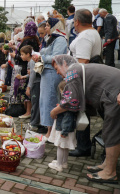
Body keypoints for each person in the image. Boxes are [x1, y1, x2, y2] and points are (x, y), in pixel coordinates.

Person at [51, 55, 120, 184]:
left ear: (64, 63)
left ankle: (110, 172)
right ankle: (107, 165)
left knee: (112, 132)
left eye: (57, 68)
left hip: (114, 93)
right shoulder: (77, 69)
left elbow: (71, 100)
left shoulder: (72, 71)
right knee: (109, 131)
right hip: (113, 91)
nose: (57, 72)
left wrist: (54, 111)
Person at [68, 9, 102, 157]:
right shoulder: (93, 33)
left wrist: (72, 80)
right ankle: (83, 144)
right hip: (88, 77)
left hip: (82, 79)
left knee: (80, 111)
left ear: (77, 21)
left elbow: (82, 62)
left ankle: (83, 146)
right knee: (83, 111)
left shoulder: (85, 36)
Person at [32, 17, 68, 138]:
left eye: (48, 25)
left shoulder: (61, 39)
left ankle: (51, 131)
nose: (46, 27)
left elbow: (56, 57)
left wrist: (41, 57)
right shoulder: (51, 38)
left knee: (50, 100)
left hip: (53, 72)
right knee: (44, 101)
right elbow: (46, 52)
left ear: (55, 26)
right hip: (46, 72)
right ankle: (49, 128)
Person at [48, 80, 78, 172]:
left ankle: (59, 165)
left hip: (63, 129)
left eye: (61, 91)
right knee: (65, 147)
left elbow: (67, 119)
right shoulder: (71, 103)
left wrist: (64, 132)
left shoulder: (66, 106)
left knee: (60, 146)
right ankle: (64, 162)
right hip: (68, 130)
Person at [12, 21, 40, 118]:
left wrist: (15, 55)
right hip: (28, 69)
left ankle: (27, 112)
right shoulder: (36, 39)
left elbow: (23, 54)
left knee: (26, 92)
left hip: (25, 68)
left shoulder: (27, 41)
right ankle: (28, 111)